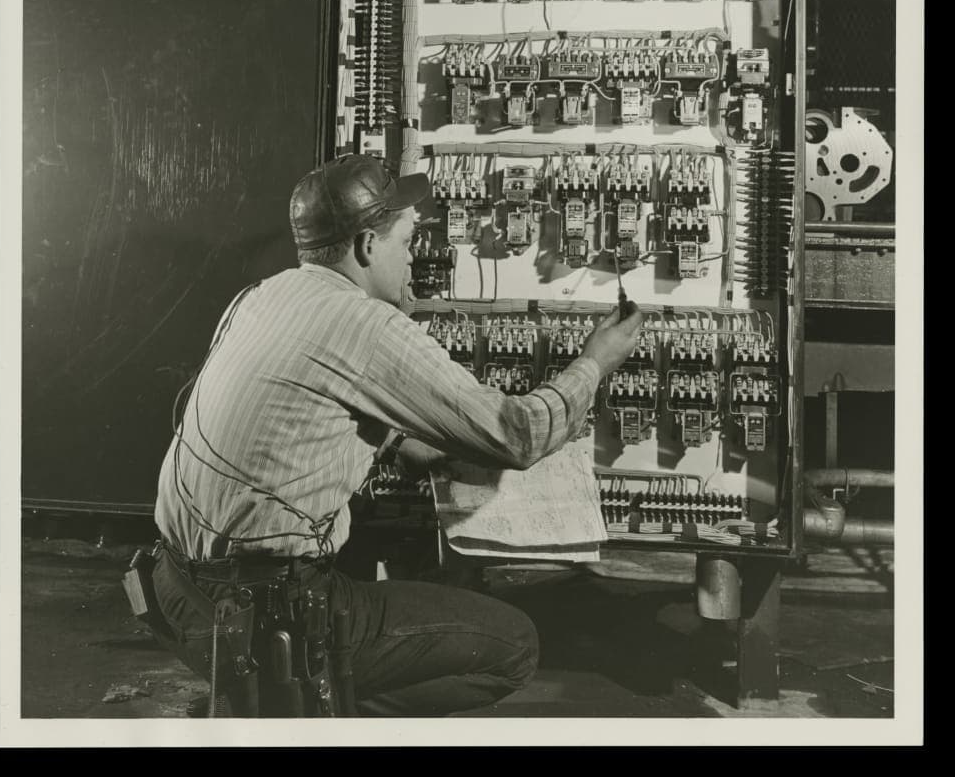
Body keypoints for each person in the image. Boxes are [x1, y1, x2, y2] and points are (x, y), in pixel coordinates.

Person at [152, 153, 645, 717]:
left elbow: (287, 411)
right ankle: (307, 714)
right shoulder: (366, 324)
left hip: (177, 597)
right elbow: (519, 435)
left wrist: (396, 441)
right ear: (366, 247)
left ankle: (267, 700)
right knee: (511, 648)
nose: (413, 258)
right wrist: (596, 362)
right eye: (407, 242)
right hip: (264, 619)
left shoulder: (259, 297)